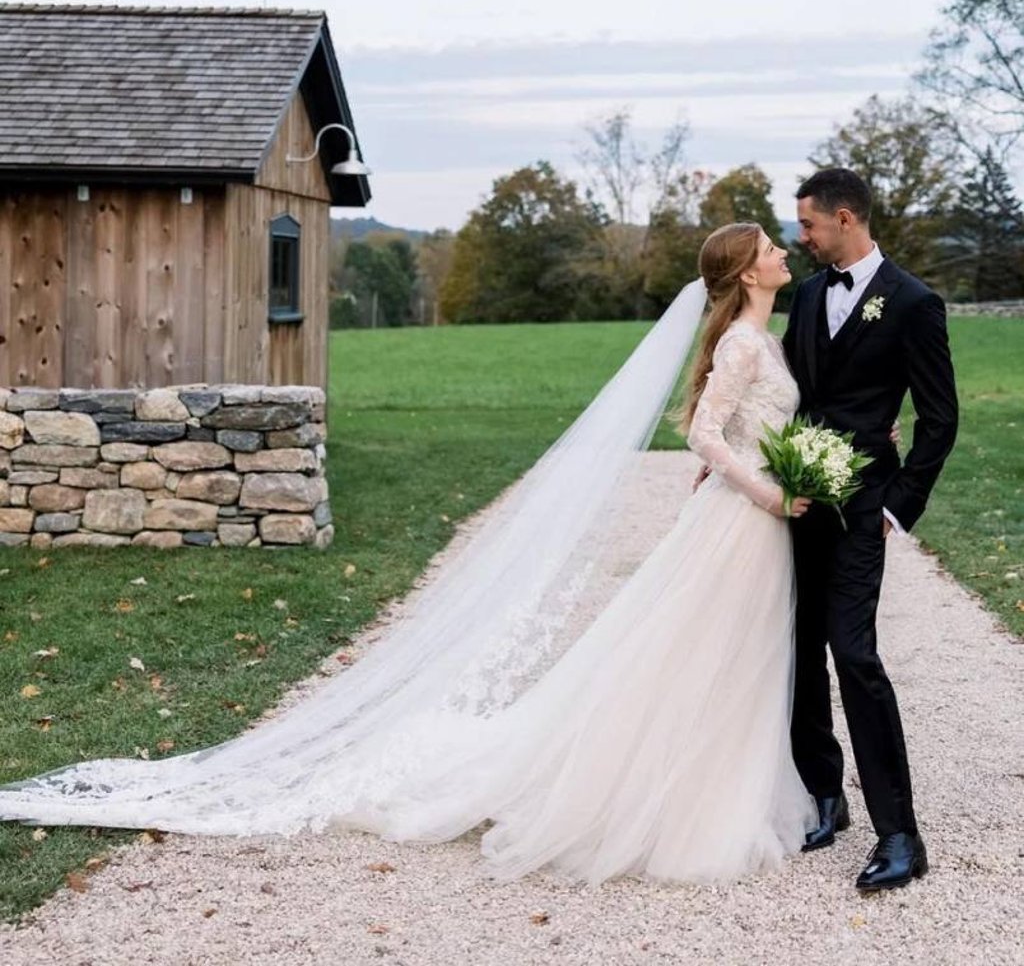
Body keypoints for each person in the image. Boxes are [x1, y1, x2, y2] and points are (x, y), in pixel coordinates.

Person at [0, 223, 817, 886]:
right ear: (747, 272)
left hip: (753, 521)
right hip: (742, 520)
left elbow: (735, 433)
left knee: (729, 658)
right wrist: (766, 490)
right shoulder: (742, 345)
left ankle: (714, 788)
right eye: (770, 248)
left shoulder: (759, 337)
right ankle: (667, 802)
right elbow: (703, 432)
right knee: (695, 654)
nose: (784, 252)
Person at [783, 168, 958, 892]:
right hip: (798, 500)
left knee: (853, 653)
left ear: (845, 218)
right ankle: (825, 795)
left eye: (809, 224)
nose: (801, 235)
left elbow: (940, 418)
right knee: (800, 647)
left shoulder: (913, 302)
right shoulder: (805, 296)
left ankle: (900, 833)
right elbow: (789, 393)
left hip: (863, 509)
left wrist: (896, 504)